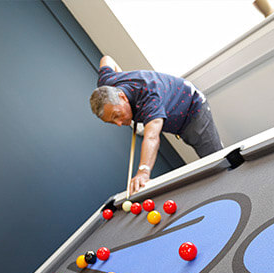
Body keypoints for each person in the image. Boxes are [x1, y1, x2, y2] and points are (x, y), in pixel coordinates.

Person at [89, 56, 223, 194]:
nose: (118, 123)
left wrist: (143, 171)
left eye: (116, 116)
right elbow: (107, 59)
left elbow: (152, 137)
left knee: (217, 161)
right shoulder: (106, 84)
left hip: (193, 109)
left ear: (123, 97)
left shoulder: (149, 96)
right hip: (176, 119)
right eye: (111, 122)